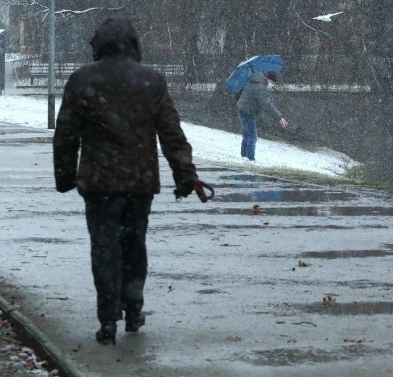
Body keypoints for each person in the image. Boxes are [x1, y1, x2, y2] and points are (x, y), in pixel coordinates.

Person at [53, 18, 210, 345]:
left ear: (99, 44)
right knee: (134, 245)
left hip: (99, 184)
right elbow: (171, 133)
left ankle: (108, 319)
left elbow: (66, 136)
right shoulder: (150, 81)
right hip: (139, 183)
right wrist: (186, 176)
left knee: (104, 249)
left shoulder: (83, 80)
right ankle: (134, 308)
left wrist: (66, 177)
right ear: (133, 44)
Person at [236, 70, 288, 162]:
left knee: (247, 135)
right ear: (268, 79)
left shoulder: (256, 81)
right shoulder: (261, 87)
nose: (272, 85)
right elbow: (267, 105)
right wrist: (279, 117)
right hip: (248, 112)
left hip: (243, 109)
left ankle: (244, 155)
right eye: (272, 83)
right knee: (252, 136)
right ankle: (250, 159)